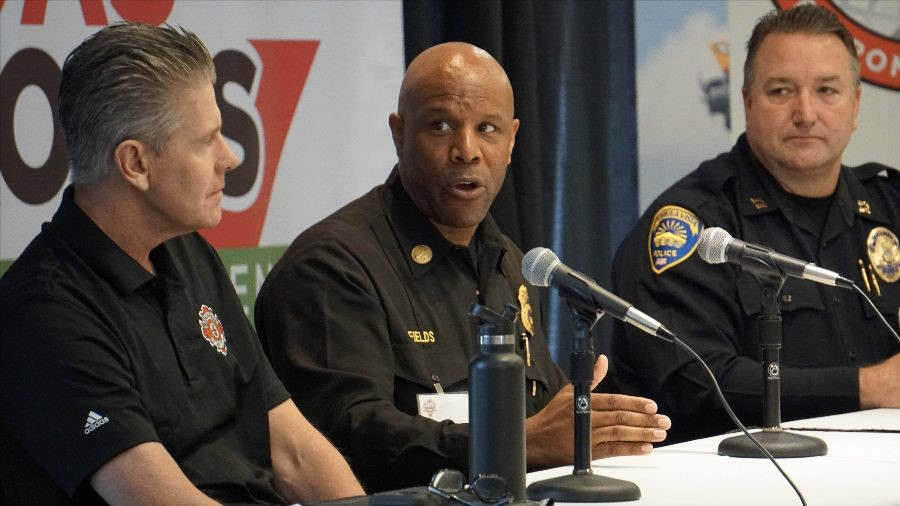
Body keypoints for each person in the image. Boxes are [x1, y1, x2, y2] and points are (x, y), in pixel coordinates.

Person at [254, 41, 671, 492]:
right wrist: (517, 444)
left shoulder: (508, 260)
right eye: (441, 126)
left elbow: (542, 413)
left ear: (511, 141)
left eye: (487, 128)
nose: (467, 150)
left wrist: (575, 421)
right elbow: (349, 434)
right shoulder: (331, 267)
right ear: (399, 134)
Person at [0, 22, 364, 505]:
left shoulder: (188, 251)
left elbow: (293, 448)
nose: (230, 157)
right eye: (205, 140)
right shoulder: (44, 313)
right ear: (135, 164)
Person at [610, 4, 900, 445]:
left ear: (855, 105)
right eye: (782, 91)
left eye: (827, 90)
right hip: (739, 478)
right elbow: (695, 383)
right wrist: (869, 387)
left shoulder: (889, 205)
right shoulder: (694, 225)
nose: (806, 113)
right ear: (747, 102)